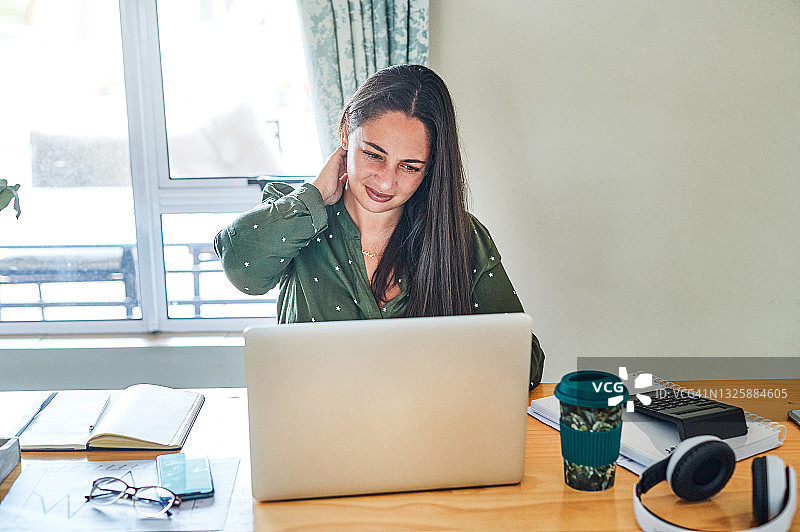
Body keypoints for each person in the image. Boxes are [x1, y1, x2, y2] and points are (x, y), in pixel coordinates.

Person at [214, 64, 545, 389]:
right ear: (346, 132)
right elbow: (242, 269)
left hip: (427, 435)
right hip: (315, 436)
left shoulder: (461, 236)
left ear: (431, 168)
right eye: (374, 155)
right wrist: (314, 196)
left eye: (410, 166)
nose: (386, 182)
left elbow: (524, 363)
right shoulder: (293, 215)